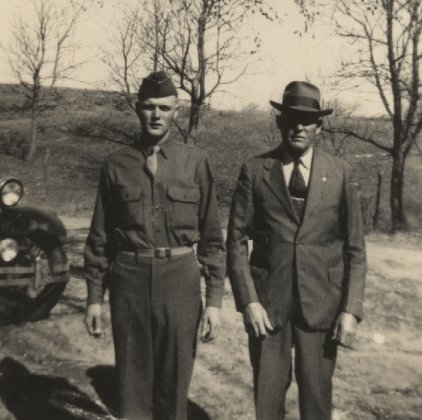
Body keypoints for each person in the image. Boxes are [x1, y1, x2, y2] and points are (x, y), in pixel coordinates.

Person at [83, 70, 226, 420]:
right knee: (132, 381)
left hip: (180, 280)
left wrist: (215, 301)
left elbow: (211, 238)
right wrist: (92, 299)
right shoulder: (115, 164)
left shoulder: (195, 162)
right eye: (148, 107)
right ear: (137, 109)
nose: (156, 115)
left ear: (177, 111)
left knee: (174, 381)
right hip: (128, 278)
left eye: (164, 107)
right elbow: (99, 236)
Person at [226, 81, 366, 420]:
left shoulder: (340, 173)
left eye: (307, 119)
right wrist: (249, 301)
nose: (298, 126)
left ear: (319, 125)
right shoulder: (255, 171)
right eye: (291, 118)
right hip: (268, 309)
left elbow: (355, 249)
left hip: (321, 307)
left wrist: (350, 310)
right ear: (279, 122)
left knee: (317, 401)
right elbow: (235, 240)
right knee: (268, 400)